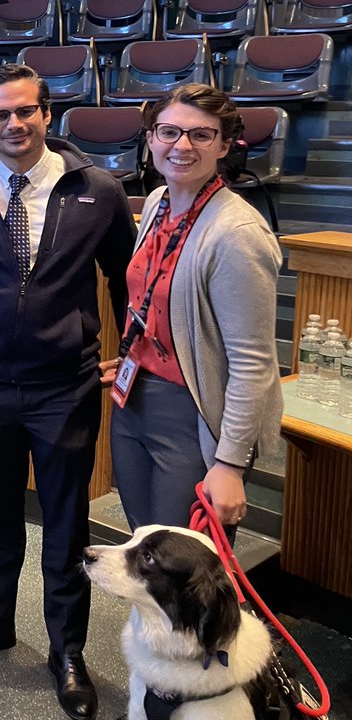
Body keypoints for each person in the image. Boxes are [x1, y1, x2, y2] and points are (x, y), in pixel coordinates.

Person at [0, 64, 135, 720]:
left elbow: (129, 281)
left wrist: (129, 353)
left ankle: (67, 649)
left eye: (26, 112)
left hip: (63, 388)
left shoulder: (97, 191)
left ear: (47, 113)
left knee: (66, 523)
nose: (13, 125)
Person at [109, 84, 282, 530]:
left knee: (180, 561)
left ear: (224, 145)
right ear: (150, 139)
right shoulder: (156, 203)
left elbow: (254, 363)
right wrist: (138, 353)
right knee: (144, 544)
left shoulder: (236, 232)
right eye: (169, 132)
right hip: (135, 396)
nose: (182, 146)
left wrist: (229, 463)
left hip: (194, 412)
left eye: (201, 136)